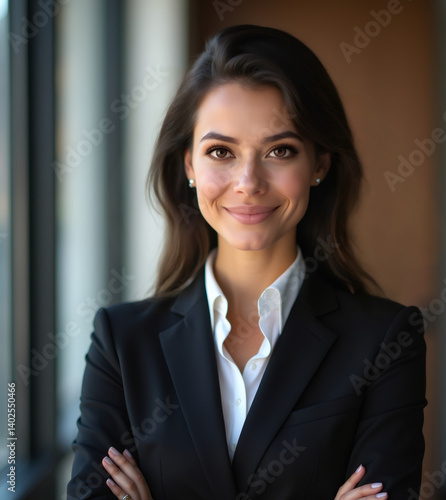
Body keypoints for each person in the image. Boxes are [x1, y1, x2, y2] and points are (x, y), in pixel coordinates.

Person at [67, 24, 426, 500]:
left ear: (319, 164)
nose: (248, 182)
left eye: (280, 150)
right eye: (221, 152)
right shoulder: (121, 340)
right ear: (189, 166)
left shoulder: (386, 340)